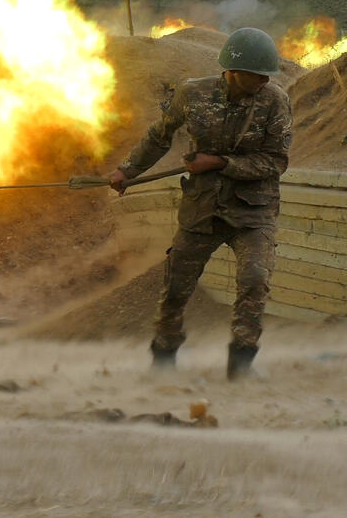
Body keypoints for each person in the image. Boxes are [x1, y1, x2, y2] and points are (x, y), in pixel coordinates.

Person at [108, 27, 293, 380]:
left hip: (254, 211)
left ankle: (241, 366)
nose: (264, 81)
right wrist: (126, 170)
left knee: (254, 281)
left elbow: (276, 162)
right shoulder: (192, 94)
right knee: (176, 286)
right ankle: (163, 359)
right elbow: (159, 137)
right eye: (258, 74)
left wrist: (221, 163)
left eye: (267, 75)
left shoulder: (275, 101)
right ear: (234, 71)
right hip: (202, 209)